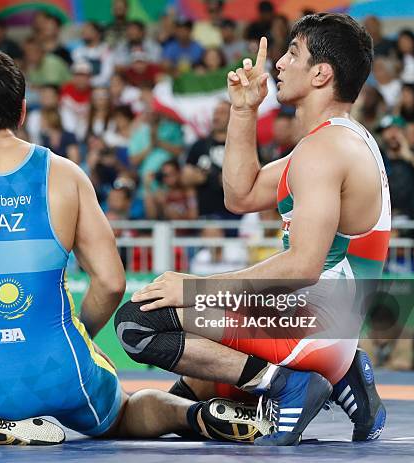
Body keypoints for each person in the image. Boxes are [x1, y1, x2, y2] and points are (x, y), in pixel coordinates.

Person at [0, 49, 265, 446]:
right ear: (23, 109)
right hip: (67, 367)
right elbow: (110, 281)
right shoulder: (64, 174)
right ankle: (194, 416)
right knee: (121, 414)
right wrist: (78, 335)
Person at [116, 14, 390, 446]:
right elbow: (240, 196)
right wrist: (244, 110)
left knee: (138, 323)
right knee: (189, 396)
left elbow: (304, 266)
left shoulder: (325, 151)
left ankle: (289, 384)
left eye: (292, 53)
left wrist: (195, 289)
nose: (278, 63)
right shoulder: (333, 142)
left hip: (314, 325)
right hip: (316, 321)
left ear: (321, 74)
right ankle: (333, 378)